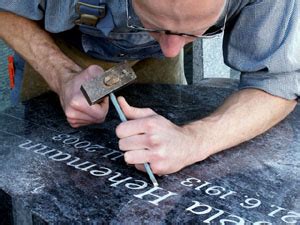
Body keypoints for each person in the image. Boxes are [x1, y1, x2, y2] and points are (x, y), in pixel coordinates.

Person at [0, 0, 299, 175]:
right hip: (60, 49)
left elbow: (275, 81)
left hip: (148, 59)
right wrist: (61, 75)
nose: (172, 50)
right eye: (153, 24)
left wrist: (193, 140)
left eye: (195, 32)